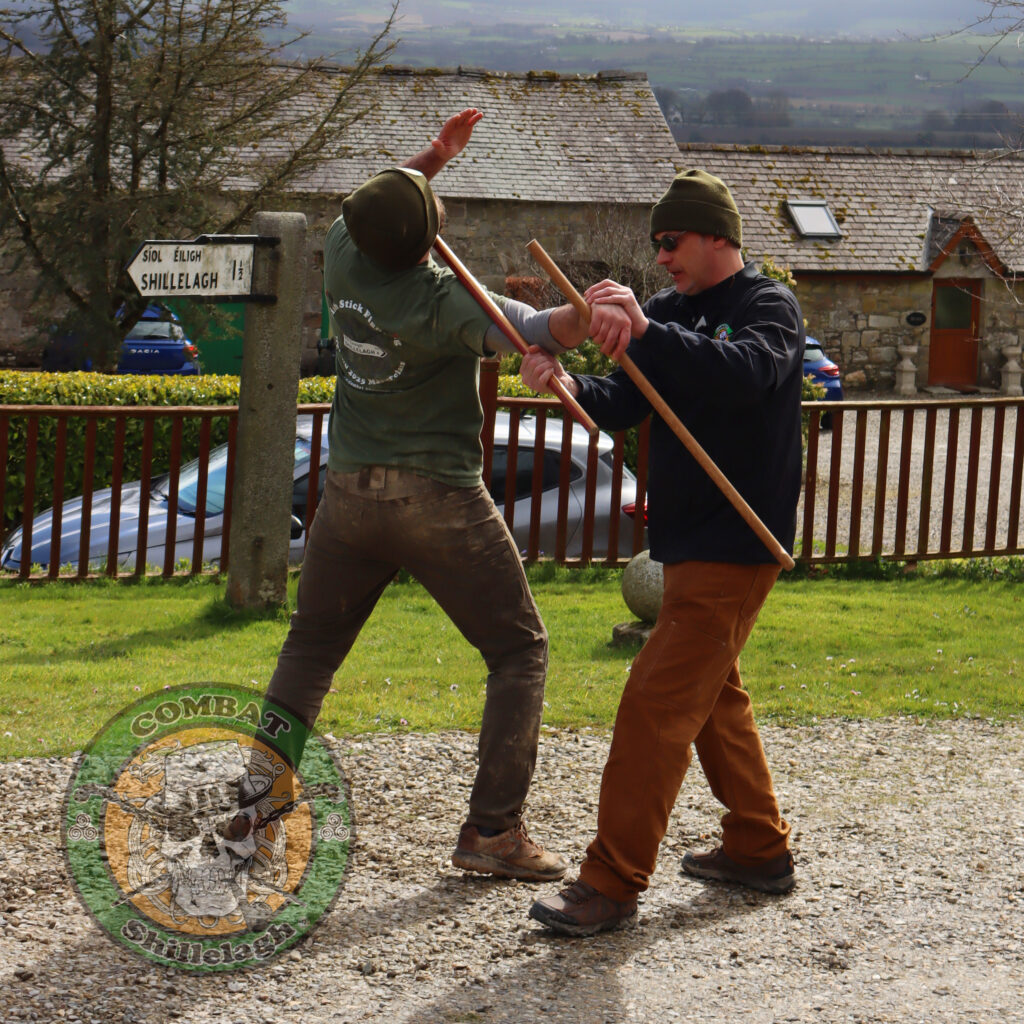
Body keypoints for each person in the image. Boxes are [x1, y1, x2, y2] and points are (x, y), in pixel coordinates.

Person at [263, 109, 593, 883]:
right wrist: (588, 314)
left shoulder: (344, 251)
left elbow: (384, 199)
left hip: (345, 492)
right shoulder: (446, 303)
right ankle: (492, 833)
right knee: (518, 651)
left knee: (309, 651)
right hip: (437, 498)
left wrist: (436, 156)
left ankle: (253, 814)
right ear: (424, 240)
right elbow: (542, 328)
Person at [522, 169, 805, 935]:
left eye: (672, 240)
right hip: (686, 539)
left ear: (718, 234)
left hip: (739, 539)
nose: (663, 255)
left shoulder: (766, 306)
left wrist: (647, 333)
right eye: (656, 244)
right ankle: (757, 846)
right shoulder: (669, 311)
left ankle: (610, 882)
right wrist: (560, 382)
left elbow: (744, 375)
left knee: (654, 704)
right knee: (713, 700)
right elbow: (623, 399)